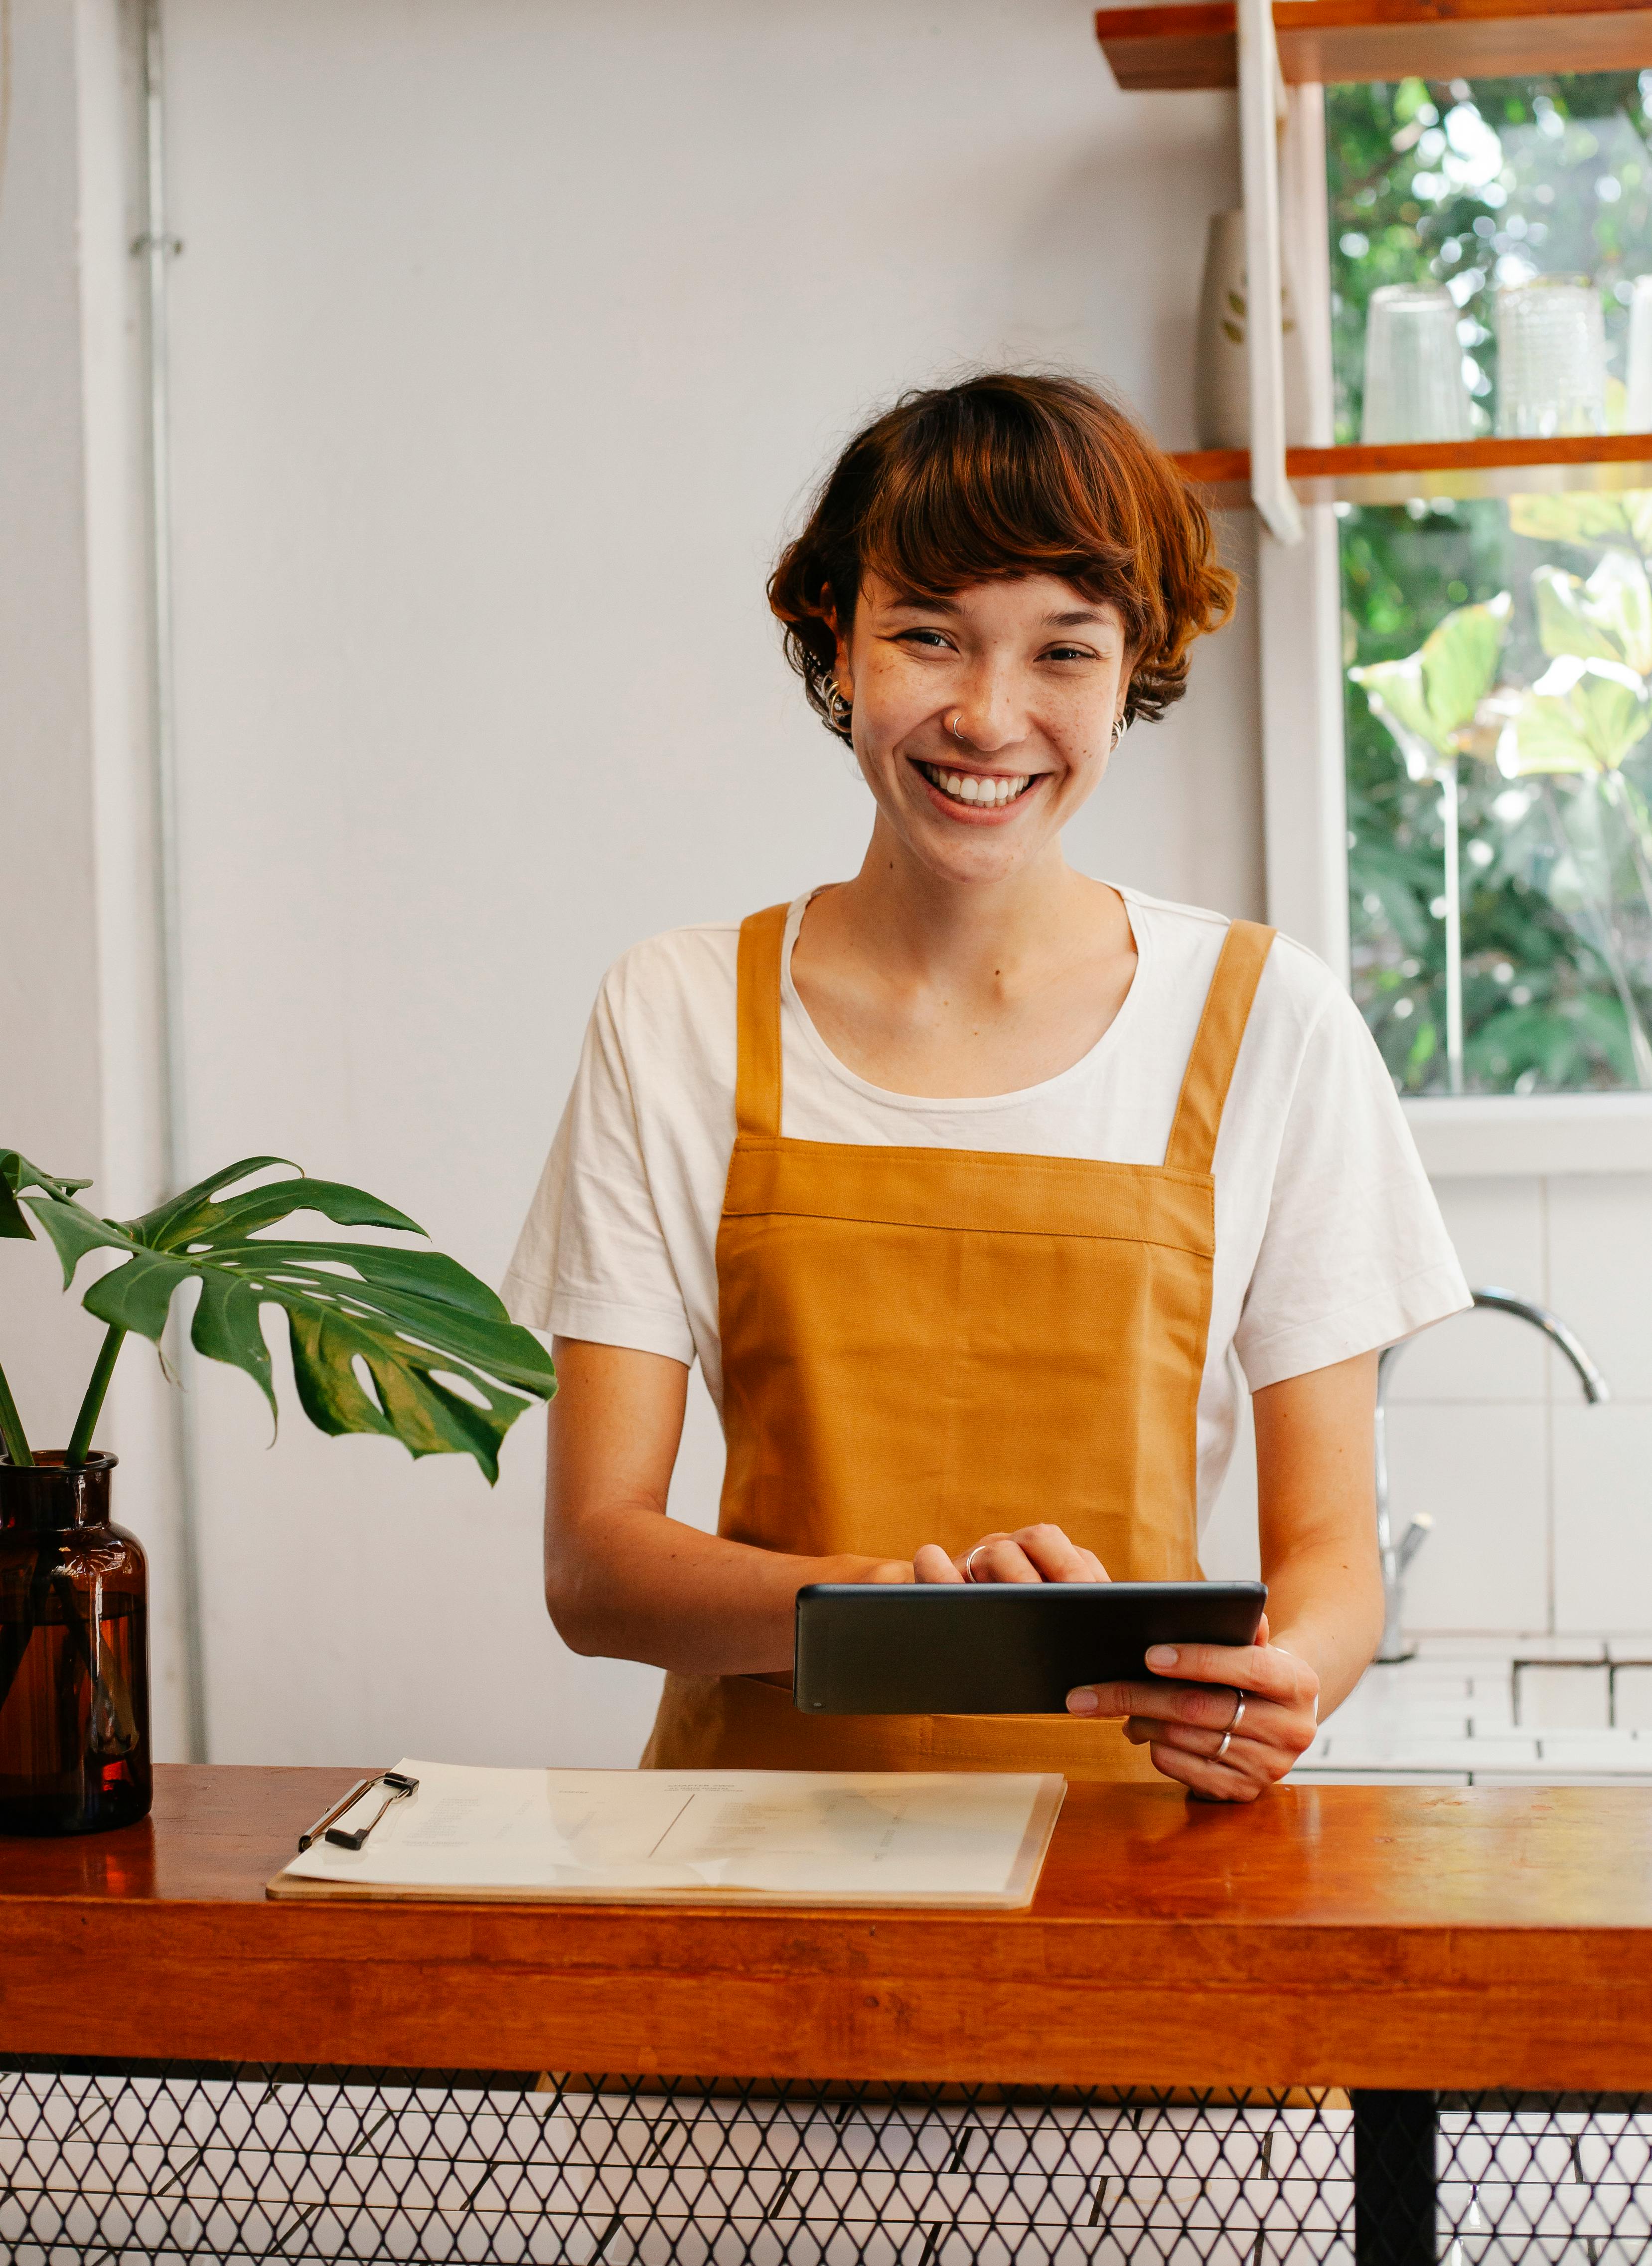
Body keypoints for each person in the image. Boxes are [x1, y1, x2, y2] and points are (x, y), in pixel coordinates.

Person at [504, 372, 1468, 1801]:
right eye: (926, 636)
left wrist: (1283, 1681)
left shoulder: (1268, 1021)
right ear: (837, 637)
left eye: (1061, 653)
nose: (986, 714)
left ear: (1134, 663)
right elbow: (594, 1565)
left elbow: (1328, 1561)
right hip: (745, 1871)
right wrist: (899, 1614)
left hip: (1123, 1875)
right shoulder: (679, 1012)